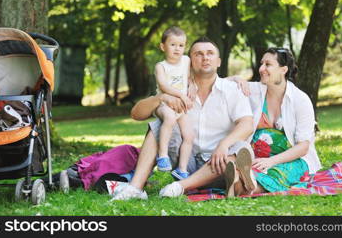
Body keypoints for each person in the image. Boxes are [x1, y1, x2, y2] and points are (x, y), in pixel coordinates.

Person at [112, 37, 254, 200]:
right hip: (185, 164)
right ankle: (135, 188)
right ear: (189, 62)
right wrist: (161, 97)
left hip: (220, 163)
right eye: (199, 54)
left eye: (210, 53)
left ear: (219, 61)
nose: (205, 57)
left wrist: (224, 144)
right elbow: (136, 114)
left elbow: (247, 125)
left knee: (242, 148)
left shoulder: (232, 89)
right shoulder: (177, 90)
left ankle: (180, 187)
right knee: (159, 125)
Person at [224, 47, 322, 196]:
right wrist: (237, 78)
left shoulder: (300, 100)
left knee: (275, 174)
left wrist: (271, 161)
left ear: (283, 70)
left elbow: (303, 147)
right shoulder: (254, 90)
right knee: (246, 168)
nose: (261, 68)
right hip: (255, 158)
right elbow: (220, 85)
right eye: (261, 64)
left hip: (291, 159)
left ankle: (239, 184)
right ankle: (241, 179)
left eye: (268, 64)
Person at [153, 26, 195, 180]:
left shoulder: (186, 60)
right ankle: (163, 156)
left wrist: (192, 86)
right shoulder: (161, 66)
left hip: (181, 107)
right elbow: (164, 86)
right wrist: (182, 96)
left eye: (181, 45)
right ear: (163, 46)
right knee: (169, 119)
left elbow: (190, 77)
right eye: (173, 45)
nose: (177, 49)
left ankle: (182, 169)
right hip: (164, 104)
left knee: (189, 136)